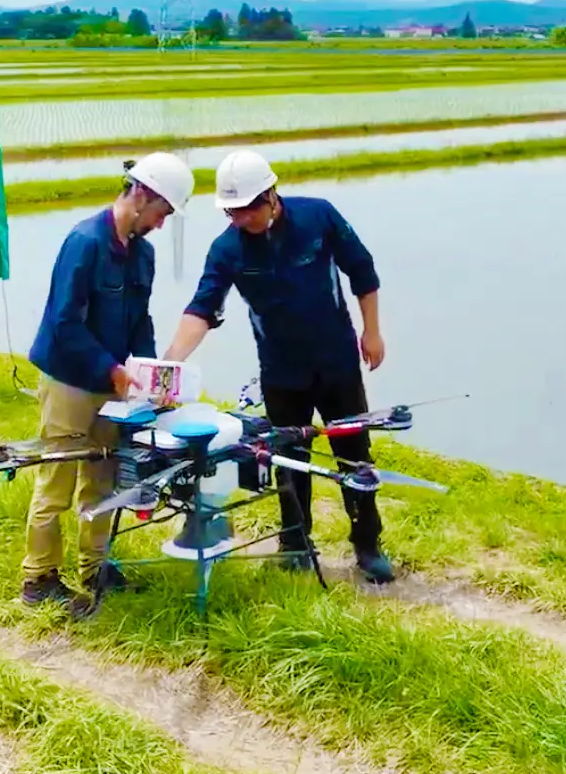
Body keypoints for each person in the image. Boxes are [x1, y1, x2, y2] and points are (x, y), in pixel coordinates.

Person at [161, 150, 394, 583]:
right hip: (282, 370)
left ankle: (367, 543)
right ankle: (295, 541)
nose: (239, 219)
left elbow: (362, 271)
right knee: (288, 457)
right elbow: (202, 308)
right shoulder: (227, 248)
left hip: (337, 362)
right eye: (231, 211)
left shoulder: (318, 218)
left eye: (247, 209)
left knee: (354, 455)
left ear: (271, 195)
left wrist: (373, 331)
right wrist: (171, 361)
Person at [21, 151, 194, 618]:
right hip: (71, 381)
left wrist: (152, 372)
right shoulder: (85, 242)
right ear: (141, 195)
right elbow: (65, 323)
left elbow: (140, 319)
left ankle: (94, 567)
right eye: (161, 213)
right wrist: (113, 370)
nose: (161, 225)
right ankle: (39, 579)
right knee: (57, 479)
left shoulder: (143, 255)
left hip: (114, 386)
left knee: (102, 476)